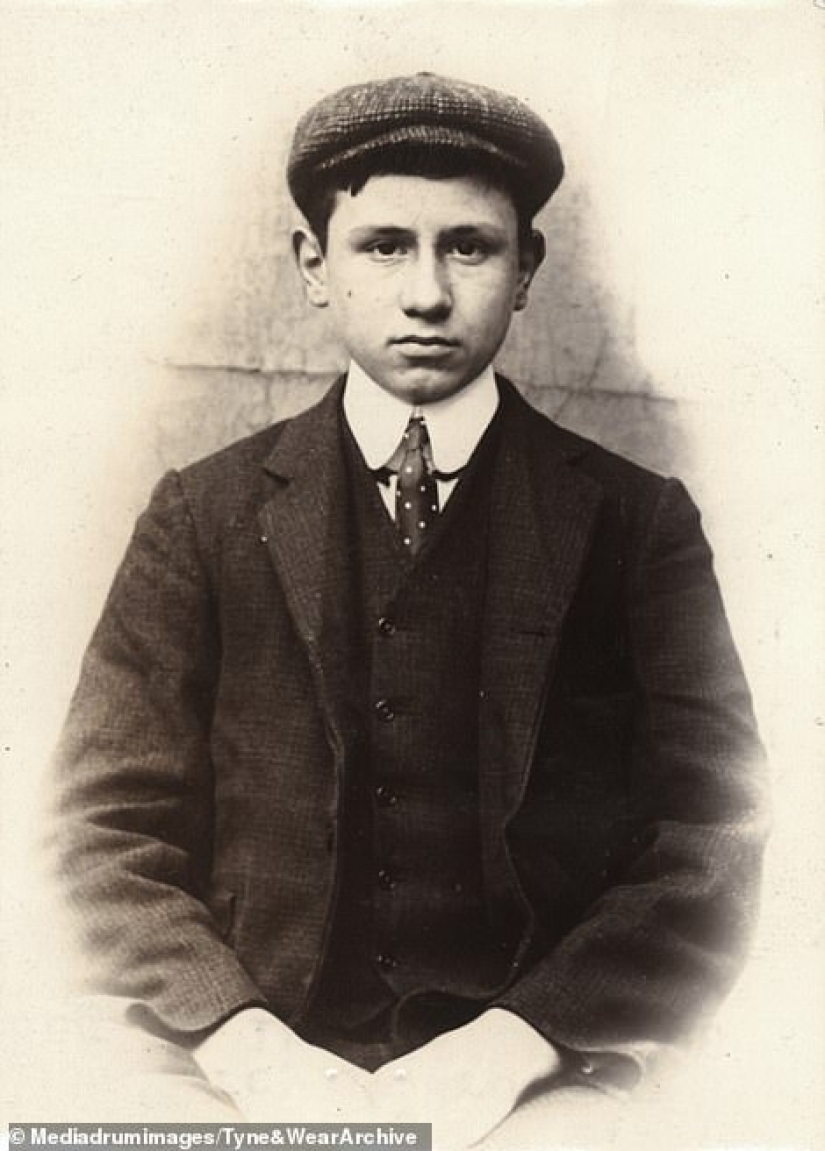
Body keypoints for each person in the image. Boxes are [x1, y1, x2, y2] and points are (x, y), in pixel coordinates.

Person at [49, 72, 768, 1146]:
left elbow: (715, 831)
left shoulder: (635, 520)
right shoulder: (203, 513)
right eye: (383, 246)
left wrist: (520, 1040)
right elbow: (99, 828)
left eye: (469, 247)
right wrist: (245, 1044)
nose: (426, 294)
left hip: (545, 1070)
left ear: (526, 269)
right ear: (314, 265)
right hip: (240, 1059)